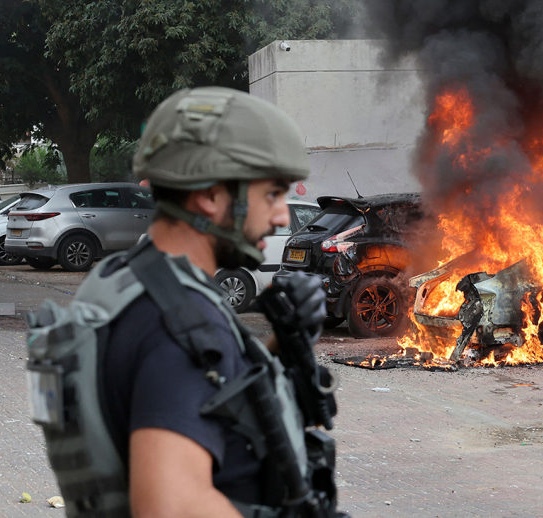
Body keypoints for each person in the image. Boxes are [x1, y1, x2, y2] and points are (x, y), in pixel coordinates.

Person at [30, 86, 345, 518]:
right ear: (210, 195)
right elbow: (170, 506)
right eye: (272, 194)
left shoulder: (126, 277)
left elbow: (205, 388)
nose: (279, 216)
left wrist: (283, 344)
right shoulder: (179, 322)